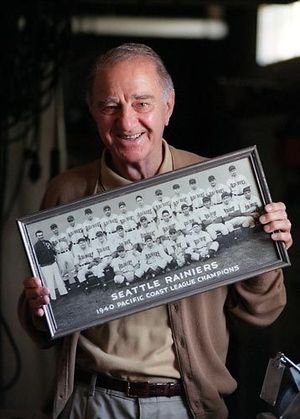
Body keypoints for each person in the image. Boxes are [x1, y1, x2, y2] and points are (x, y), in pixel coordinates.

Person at [19, 43, 293, 419]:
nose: (127, 123)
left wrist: (266, 248)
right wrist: (37, 309)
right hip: (90, 401)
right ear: (93, 113)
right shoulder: (65, 193)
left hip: (184, 405)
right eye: (109, 106)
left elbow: (263, 312)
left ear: (169, 106)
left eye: (142, 103)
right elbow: (44, 325)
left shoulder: (220, 185)